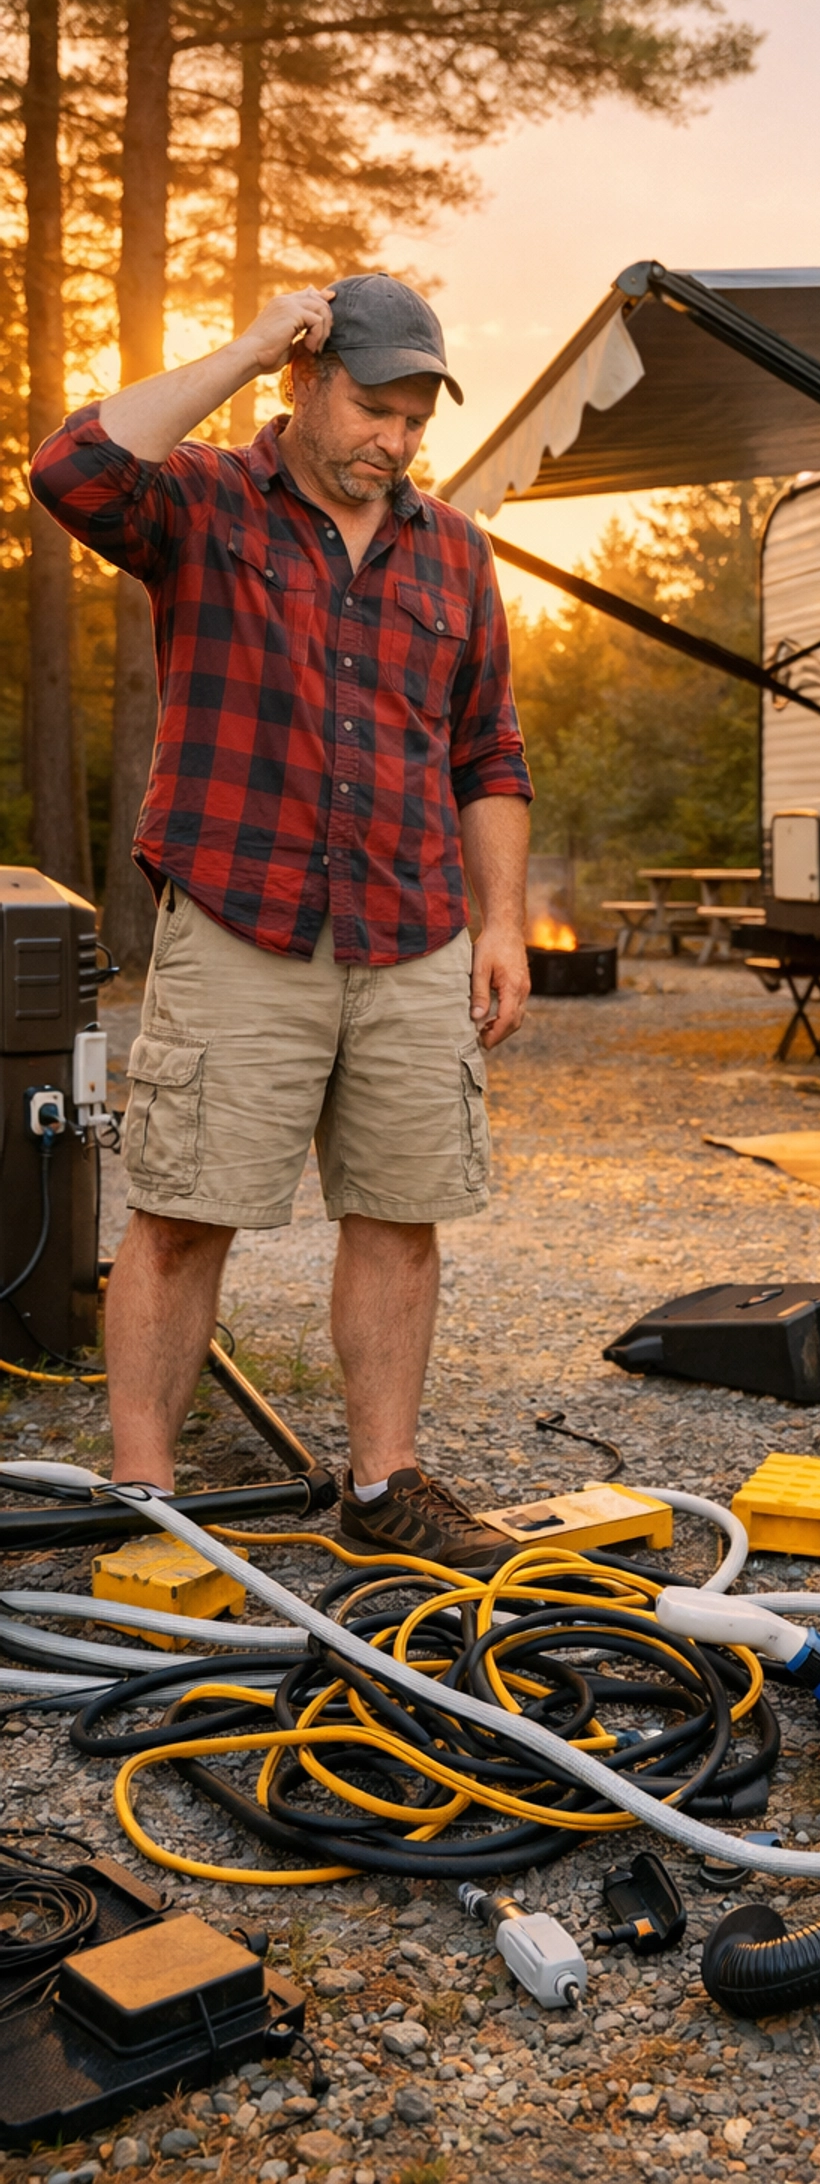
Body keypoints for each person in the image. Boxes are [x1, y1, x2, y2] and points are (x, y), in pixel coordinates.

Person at [32, 276, 534, 1570]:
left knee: (401, 1213)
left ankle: (383, 1483)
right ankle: (147, 1498)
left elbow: (489, 752)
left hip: (412, 930)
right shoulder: (202, 503)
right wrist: (249, 340)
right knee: (184, 1213)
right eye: (373, 409)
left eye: (415, 420)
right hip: (241, 922)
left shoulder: (453, 553)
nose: (395, 441)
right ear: (304, 384)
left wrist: (502, 924)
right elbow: (70, 468)